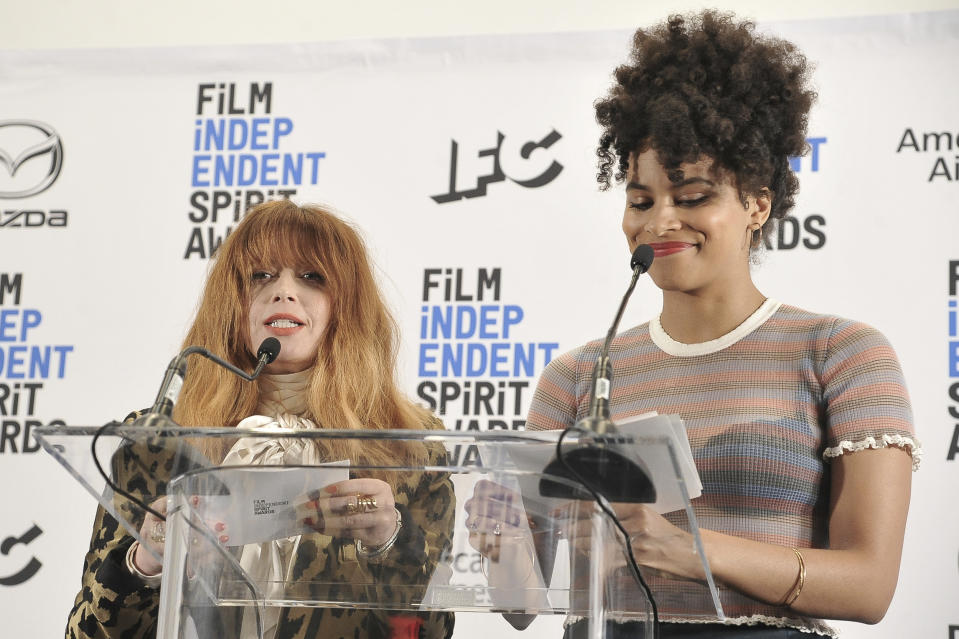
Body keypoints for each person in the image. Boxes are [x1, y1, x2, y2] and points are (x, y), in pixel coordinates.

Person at [475, 10, 920, 639]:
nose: (659, 223)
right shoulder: (574, 376)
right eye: (640, 201)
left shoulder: (841, 354)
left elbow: (868, 586)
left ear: (757, 203)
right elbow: (520, 605)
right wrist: (497, 536)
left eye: (691, 198)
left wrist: (686, 549)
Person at [66, 201, 456, 639]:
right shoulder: (159, 442)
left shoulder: (409, 444)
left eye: (312, 276)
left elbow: (428, 633)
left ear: (346, 305)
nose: (283, 291)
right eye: (261, 276)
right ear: (232, 305)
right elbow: (86, 633)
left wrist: (389, 542)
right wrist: (147, 561)